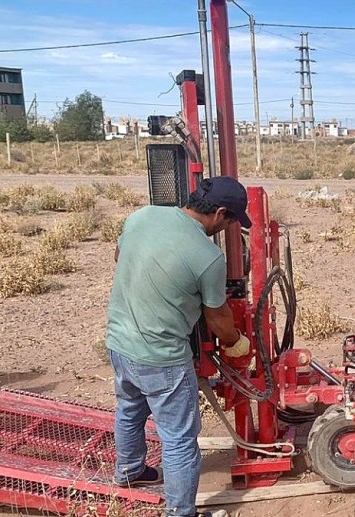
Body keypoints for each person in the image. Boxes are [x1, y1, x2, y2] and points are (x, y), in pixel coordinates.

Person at [106, 176, 253, 517]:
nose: (228, 228)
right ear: (219, 213)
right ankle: (180, 512)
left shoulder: (143, 216)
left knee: (130, 408)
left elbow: (120, 255)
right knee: (179, 438)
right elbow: (217, 318)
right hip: (163, 358)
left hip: (119, 342)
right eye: (230, 221)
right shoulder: (208, 257)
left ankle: (129, 471)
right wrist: (236, 343)